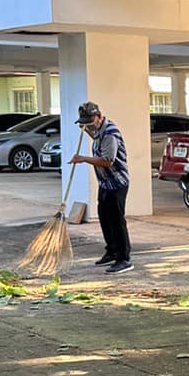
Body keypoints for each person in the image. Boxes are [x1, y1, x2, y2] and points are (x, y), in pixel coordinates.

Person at [68, 101, 132, 274]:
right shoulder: (99, 131)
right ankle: (111, 251)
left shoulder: (111, 133)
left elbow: (107, 160)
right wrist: (87, 130)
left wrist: (83, 159)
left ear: (98, 116)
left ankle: (123, 258)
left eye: (89, 120)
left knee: (117, 220)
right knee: (105, 217)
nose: (88, 124)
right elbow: (96, 138)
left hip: (117, 183)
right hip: (105, 182)